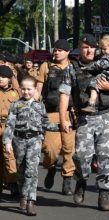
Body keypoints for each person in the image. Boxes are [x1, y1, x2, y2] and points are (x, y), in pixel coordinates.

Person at [58, 33, 109, 211]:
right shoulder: (72, 68)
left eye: (92, 47)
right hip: (84, 118)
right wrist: (63, 118)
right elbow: (64, 94)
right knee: (81, 157)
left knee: (105, 156)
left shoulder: (106, 61)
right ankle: (81, 180)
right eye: (86, 47)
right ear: (80, 48)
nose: (90, 50)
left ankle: (103, 192)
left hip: (105, 115)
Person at [3, 76, 60, 216]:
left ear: (35, 90)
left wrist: (59, 127)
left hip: (35, 140)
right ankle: (23, 194)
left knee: (32, 171)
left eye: (29, 89)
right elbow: (10, 125)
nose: (26, 92)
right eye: (23, 89)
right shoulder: (15, 105)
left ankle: (30, 200)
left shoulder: (40, 105)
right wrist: (7, 142)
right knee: (21, 171)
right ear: (20, 89)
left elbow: (45, 123)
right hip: (19, 140)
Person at [35, 39, 76, 196]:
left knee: (68, 148)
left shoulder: (73, 67)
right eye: (55, 49)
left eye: (60, 50)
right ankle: (51, 168)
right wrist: (34, 106)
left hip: (69, 113)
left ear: (67, 52)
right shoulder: (46, 66)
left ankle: (67, 179)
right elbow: (39, 90)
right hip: (51, 112)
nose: (56, 52)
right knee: (50, 149)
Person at [79, 35, 109, 118]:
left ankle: (91, 103)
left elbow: (99, 65)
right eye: (101, 48)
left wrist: (86, 67)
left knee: (93, 83)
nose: (102, 51)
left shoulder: (108, 58)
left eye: (104, 49)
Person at [0, 65, 19, 197]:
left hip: (9, 126)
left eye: (4, 77)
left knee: (9, 156)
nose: (0, 79)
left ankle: (13, 183)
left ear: (10, 79)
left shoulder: (16, 93)